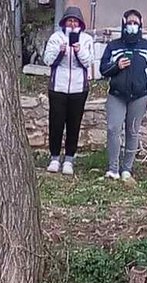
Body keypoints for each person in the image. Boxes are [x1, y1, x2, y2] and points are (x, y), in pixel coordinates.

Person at [99, 9, 147, 183]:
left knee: (132, 132)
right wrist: (117, 66)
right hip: (117, 95)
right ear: (124, 23)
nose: (132, 26)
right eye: (129, 23)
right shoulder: (114, 46)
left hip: (139, 96)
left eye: (135, 23)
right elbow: (103, 69)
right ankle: (113, 169)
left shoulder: (146, 47)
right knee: (113, 129)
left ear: (140, 24)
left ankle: (127, 169)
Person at [43, 5, 94, 175]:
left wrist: (79, 51)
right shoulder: (56, 38)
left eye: (75, 21)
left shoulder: (86, 39)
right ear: (64, 22)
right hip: (58, 87)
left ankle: (70, 159)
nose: (72, 24)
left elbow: (89, 62)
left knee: (74, 124)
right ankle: (55, 157)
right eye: (69, 20)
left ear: (80, 23)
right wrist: (60, 51)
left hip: (79, 88)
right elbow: (47, 60)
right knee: (56, 123)